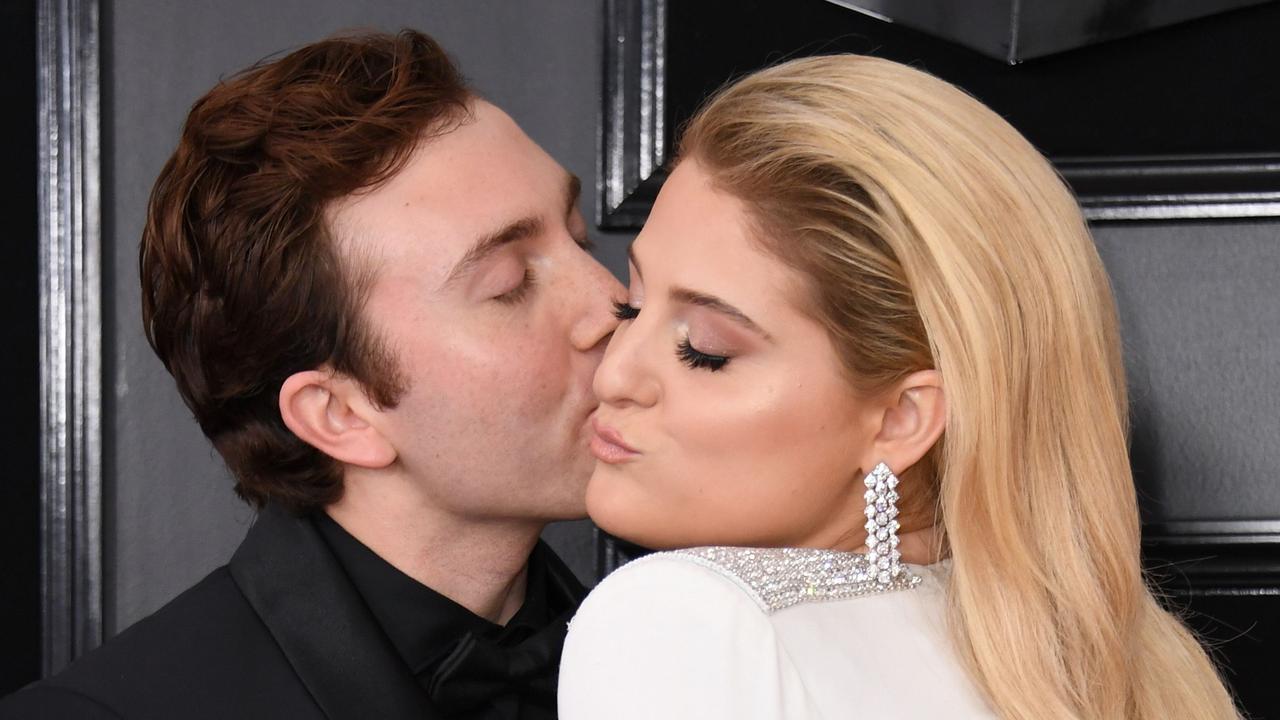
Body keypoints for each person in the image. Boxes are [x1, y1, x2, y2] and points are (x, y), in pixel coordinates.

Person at [559, 54, 1239, 719]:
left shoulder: (679, 622)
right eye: (632, 306)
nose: (613, 372)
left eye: (702, 351)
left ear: (901, 420)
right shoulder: (1088, 672)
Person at [0, 29, 621, 719]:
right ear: (340, 414)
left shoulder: (678, 661)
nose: (614, 302)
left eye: (579, 236)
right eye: (510, 284)